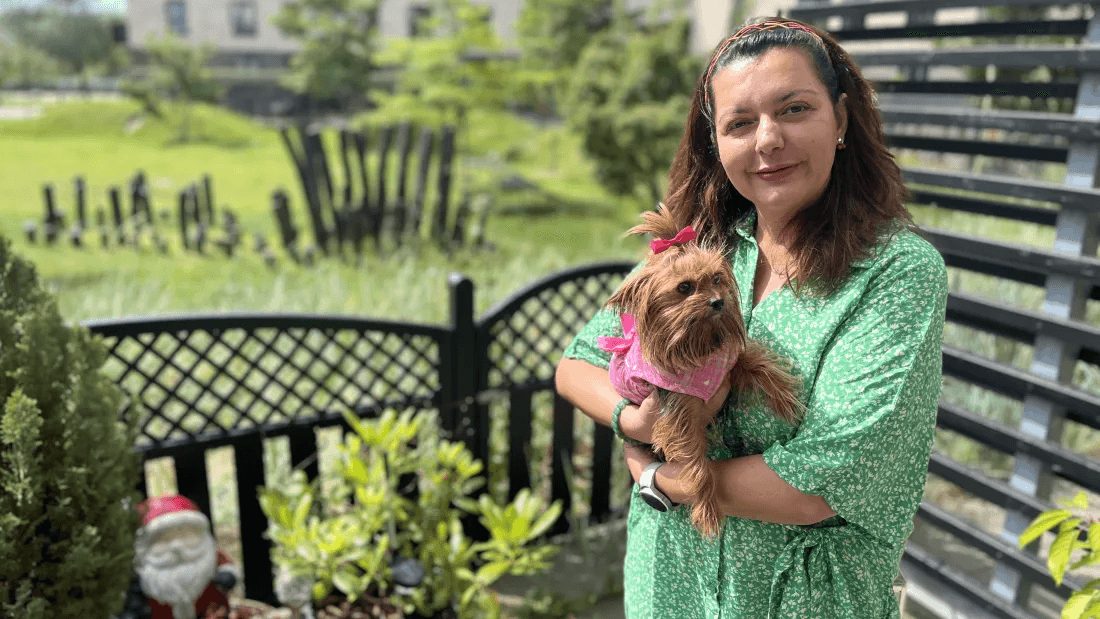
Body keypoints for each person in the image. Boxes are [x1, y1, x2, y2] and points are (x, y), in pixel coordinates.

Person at [554, 16, 948, 619]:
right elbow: (579, 364)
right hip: (669, 583)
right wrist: (633, 422)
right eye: (740, 122)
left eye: (794, 110)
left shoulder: (895, 272)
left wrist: (658, 480)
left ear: (841, 120)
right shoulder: (704, 250)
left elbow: (819, 483)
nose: (767, 140)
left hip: (796, 599)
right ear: (717, 143)